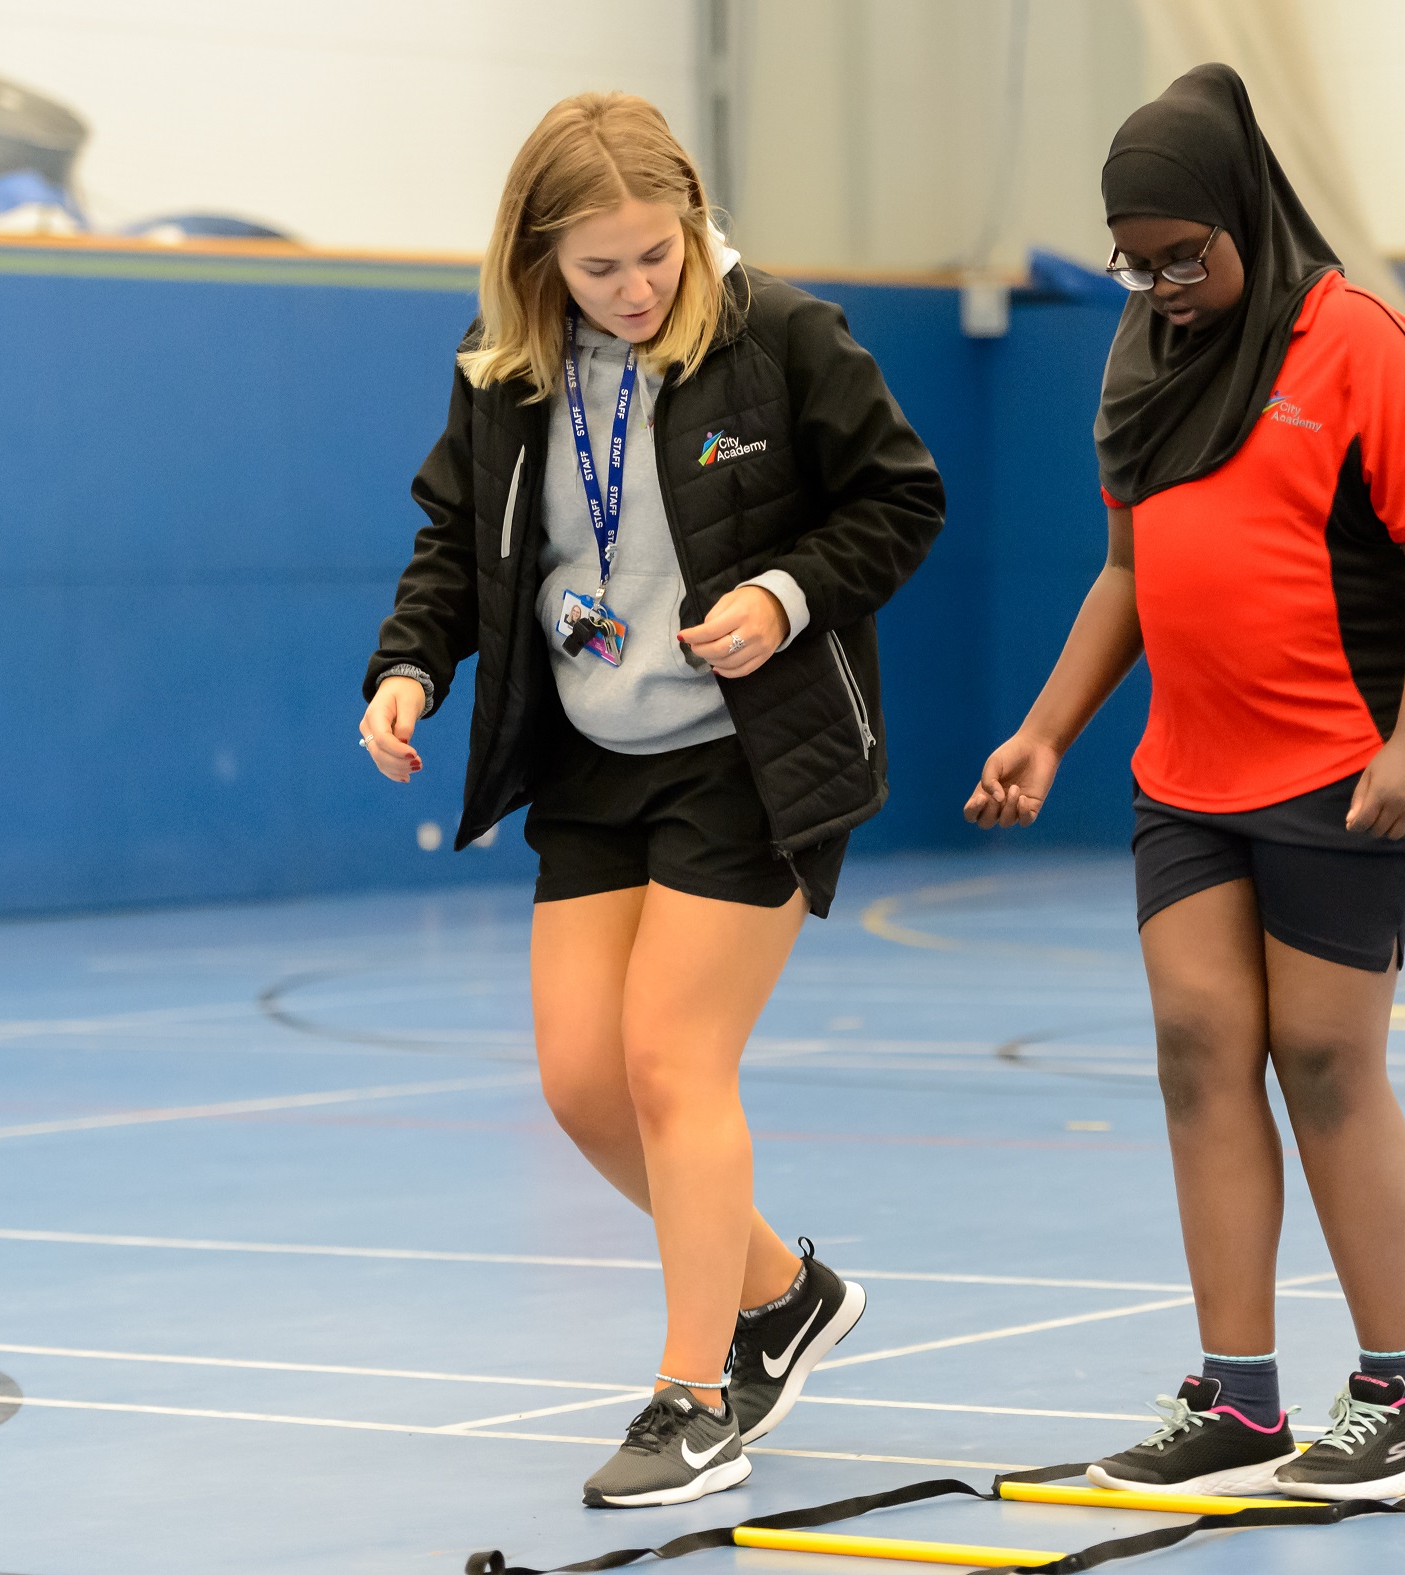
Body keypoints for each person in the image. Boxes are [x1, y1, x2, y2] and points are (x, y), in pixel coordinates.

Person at [361, 91, 943, 1508]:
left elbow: (900, 500)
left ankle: (697, 1400)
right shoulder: (505, 370)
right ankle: (784, 1294)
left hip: (751, 753)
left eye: (658, 256)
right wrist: (410, 666)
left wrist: (784, 595)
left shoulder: (784, 336)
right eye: (599, 267)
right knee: (582, 1086)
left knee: (676, 1065)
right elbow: (457, 539)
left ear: (693, 225)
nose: (635, 289)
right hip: (590, 753)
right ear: (538, 262)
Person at [966, 64, 1405, 1501]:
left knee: (1325, 1060)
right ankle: (1241, 1401)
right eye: (1136, 264)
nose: (1163, 288)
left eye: (1182, 257)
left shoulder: (1359, 342)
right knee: (1199, 1048)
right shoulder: (1142, 356)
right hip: (1188, 776)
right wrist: (1048, 731)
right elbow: (1128, 574)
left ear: (1244, 215)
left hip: (1341, 765)